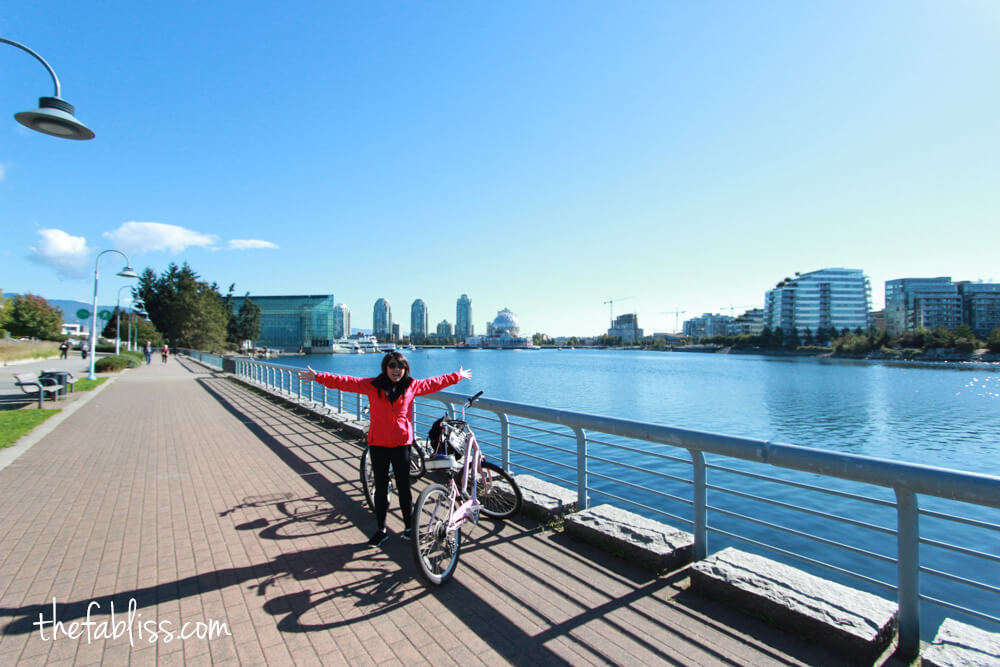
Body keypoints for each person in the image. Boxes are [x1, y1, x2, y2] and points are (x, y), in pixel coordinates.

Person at [298, 352, 472, 547]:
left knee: (404, 488)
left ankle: (408, 528)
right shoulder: (373, 385)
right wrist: (319, 377)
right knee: (380, 488)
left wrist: (456, 376)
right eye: (392, 366)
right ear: (385, 368)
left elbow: (433, 383)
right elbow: (346, 382)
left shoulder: (411, 386)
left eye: (400, 366)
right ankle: (381, 530)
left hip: (402, 445)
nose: (396, 370)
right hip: (378, 445)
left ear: (405, 369)